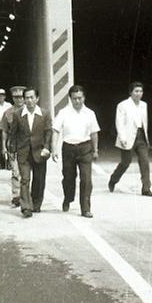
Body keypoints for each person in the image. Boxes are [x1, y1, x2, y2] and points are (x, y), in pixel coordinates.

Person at [52, 85, 100, 218]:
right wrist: (54, 148)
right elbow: (56, 131)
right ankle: (68, 198)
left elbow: (94, 133)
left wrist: (95, 150)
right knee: (68, 178)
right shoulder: (63, 113)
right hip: (68, 149)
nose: (77, 101)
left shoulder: (90, 113)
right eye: (74, 99)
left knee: (86, 179)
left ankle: (85, 208)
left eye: (80, 98)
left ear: (84, 98)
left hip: (85, 148)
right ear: (70, 99)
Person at [8, 89, 52, 218]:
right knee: (25, 180)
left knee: (39, 180)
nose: (29, 100)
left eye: (32, 97)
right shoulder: (17, 114)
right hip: (24, 152)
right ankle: (26, 207)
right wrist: (12, 149)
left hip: (40, 152)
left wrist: (47, 147)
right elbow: (13, 133)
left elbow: (48, 131)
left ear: (37, 98)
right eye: (26, 98)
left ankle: (36, 204)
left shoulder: (44, 114)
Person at [108, 82, 152, 196]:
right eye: (136, 91)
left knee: (145, 162)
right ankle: (113, 179)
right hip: (127, 137)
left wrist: (145, 136)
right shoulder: (123, 105)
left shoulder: (144, 105)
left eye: (141, 91)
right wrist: (122, 137)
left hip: (141, 136)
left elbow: (145, 122)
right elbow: (119, 123)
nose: (139, 94)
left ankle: (146, 188)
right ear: (130, 92)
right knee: (126, 162)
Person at [0, 86, 26, 207]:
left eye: (21, 97)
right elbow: (4, 130)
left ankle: (26, 195)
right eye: (16, 97)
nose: (19, 99)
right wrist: (3, 147)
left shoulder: (30, 110)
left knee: (26, 172)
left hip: (27, 145)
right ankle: (16, 196)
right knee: (15, 172)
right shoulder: (8, 112)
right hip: (13, 146)